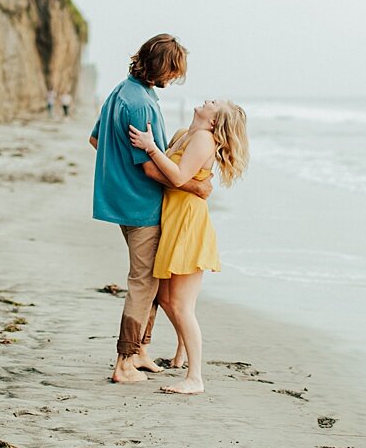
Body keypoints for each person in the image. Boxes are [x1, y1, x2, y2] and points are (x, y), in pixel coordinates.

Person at [89, 34, 212, 383]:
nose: (174, 78)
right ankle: (124, 362)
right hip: (141, 203)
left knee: (154, 279)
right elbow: (148, 166)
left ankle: (141, 350)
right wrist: (195, 186)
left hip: (122, 199)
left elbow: (96, 139)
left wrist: (116, 172)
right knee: (143, 282)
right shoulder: (141, 104)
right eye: (173, 71)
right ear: (160, 66)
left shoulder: (121, 91)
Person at [128, 100, 249, 394]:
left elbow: (179, 176)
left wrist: (150, 147)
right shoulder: (185, 132)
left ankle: (195, 378)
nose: (209, 100)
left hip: (188, 223)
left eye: (215, 104)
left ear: (213, 121)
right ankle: (183, 350)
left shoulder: (204, 139)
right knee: (169, 300)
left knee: (181, 304)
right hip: (174, 218)